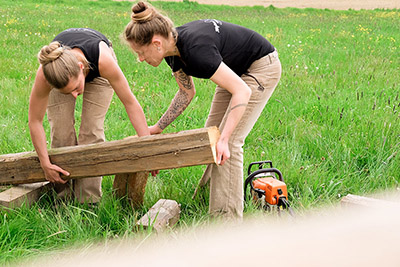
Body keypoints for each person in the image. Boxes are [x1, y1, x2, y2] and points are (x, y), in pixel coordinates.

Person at [123, 2, 281, 220]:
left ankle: (226, 224)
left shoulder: (197, 51)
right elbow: (185, 93)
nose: (139, 59)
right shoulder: (172, 51)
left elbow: (242, 91)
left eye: (140, 52)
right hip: (235, 72)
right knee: (211, 137)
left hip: (260, 67)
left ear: (156, 43)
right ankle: (205, 200)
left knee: (228, 143)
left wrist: (225, 138)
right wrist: (157, 128)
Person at [29, 28, 150, 204]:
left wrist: (148, 148)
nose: (75, 96)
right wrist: (44, 163)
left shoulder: (104, 61)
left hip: (98, 71)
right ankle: (63, 198)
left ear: (81, 67)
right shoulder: (47, 73)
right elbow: (34, 121)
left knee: (91, 132)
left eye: (75, 88)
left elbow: (130, 102)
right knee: (61, 133)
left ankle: (88, 201)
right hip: (63, 71)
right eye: (68, 92)